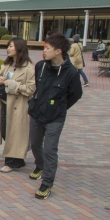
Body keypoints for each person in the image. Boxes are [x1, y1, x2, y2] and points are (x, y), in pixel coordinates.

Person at [28, 33, 82, 199]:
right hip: (38, 113)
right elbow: (38, 87)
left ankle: (47, 183)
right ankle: (40, 165)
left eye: (48, 48)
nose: (44, 51)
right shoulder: (40, 66)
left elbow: (76, 94)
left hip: (55, 118)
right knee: (35, 144)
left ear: (58, 51)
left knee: (50, 149)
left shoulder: (71, 73)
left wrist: (60, 107)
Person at [0, 38, 36, 173]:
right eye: (8, 46)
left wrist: (11, 84)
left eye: (10, 46)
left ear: (19, 48)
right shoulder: (7, 64)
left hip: (18, 106)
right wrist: (0, 79)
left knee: (14, 133)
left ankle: (12, 162)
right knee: (5, 131)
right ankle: (17, 158)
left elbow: (30, 89)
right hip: (5, 103)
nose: (8, 48)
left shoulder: (29, 68)